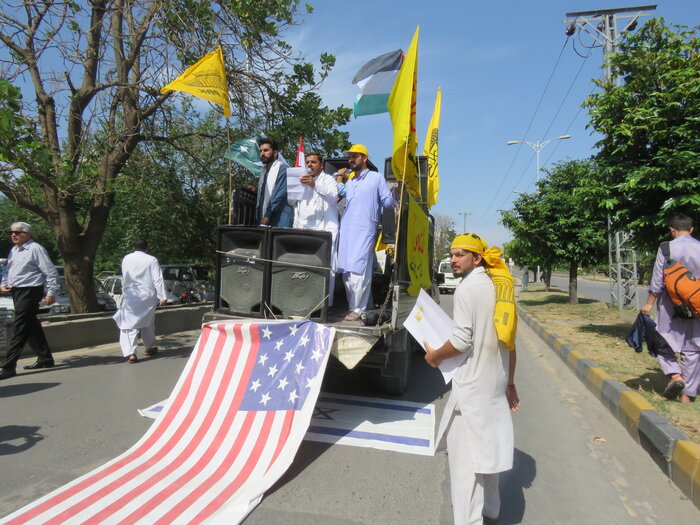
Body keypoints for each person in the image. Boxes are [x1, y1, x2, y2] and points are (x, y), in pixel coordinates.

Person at [424, 233, 520, 525]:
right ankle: (492, 508)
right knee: (487, 451)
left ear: (477, 258)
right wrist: (511, 383)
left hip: (472, 387)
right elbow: (511, 341)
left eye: (460, 254)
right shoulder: (498, 285)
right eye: (452, 254)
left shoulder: (468, 289)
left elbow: (461, 342)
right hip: (495, 382)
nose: (453, 260)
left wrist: (435, 356)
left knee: (465, 465)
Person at [641, 214, 700, 402]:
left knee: (662, 342)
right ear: (692, 230)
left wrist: (649, 303)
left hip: (670, 306)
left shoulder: (666, 248)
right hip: (697, 305)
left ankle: (675, 376)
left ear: (671, 230)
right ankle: (687, 395)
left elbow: (657, 281)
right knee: (692, 350)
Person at [336, 144, 396, 320]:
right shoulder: (351, 179)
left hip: (364, 229)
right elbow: (341, 193)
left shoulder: (376, 178)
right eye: (350, 156)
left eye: (355, 156)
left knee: (359, 269)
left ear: (364, 158)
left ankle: (358, 309)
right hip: (347, 229)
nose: (351, 159)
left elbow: (388, 202)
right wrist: (340, 177)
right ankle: (362, 306)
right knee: (346, 271)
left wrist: (396, 195)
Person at [0, 222, 59, 380]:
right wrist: (3, 283)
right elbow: (8, 270)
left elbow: (50, 271)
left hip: (31, 289)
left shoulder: (35, 249)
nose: (14, 235)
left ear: (28, 234)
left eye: (18, 232)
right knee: (30, 324)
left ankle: (8, 366)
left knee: (20, 326)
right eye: (12, 232)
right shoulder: (14, 250)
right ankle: (45, 358)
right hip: (17, 290)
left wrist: (51, 291)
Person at [291, 152, 339, 306]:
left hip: (324, 230)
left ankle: (325, 304)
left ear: (321, 165)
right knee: (302, 267)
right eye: (307, 162)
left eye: (313, 162)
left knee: (325, 268)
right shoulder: (301, 178)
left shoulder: (328, 179)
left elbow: (333, 197)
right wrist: (295, 185)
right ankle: (303, 301)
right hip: (303, 230)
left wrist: (314, 184)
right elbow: (292, 202)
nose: (309, 165)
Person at [112, 239, 167, 363]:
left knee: (128, 325)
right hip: (147, 296)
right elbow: (157, 279)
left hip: (131, 296)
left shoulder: (126, 258)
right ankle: (149, 347)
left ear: (133, 248)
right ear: (146, 249)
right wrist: (162, 297)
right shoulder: (152, 260)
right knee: (148, 323)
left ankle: (131, 353)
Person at [255, 138, 293, 227]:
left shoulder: (283, 169)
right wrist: (255, 190)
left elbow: (278, 194)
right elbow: (265, 193)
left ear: (275, 153)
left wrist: (267, 215)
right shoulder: (264, 172)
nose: (262, 154)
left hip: (280, 219)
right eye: (260, 151)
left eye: (266, 150)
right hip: (264, 218)